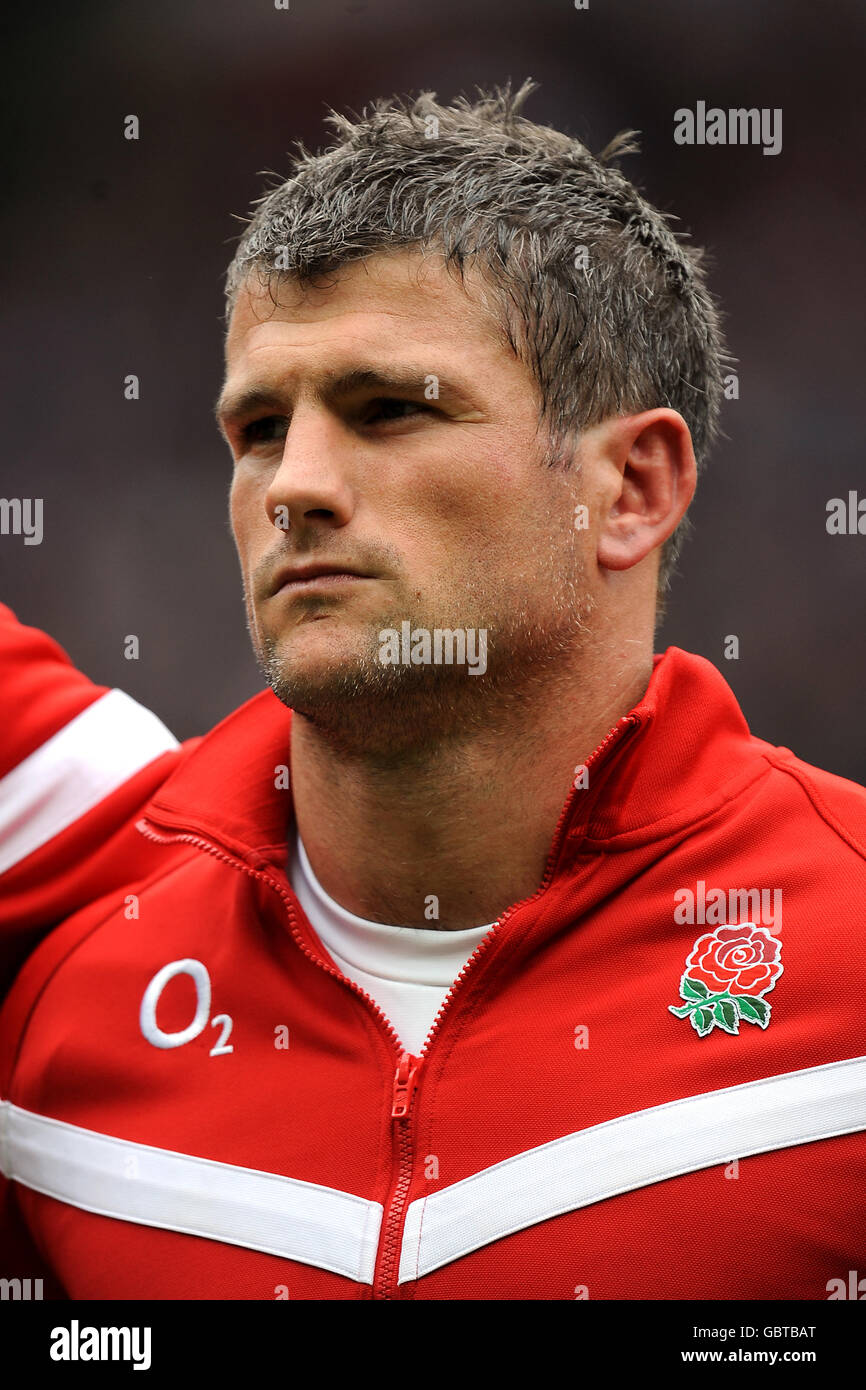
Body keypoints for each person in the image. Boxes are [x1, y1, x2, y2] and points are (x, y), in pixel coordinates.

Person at [1, 81, 864, 1302]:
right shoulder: (74, 941)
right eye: (257, 429)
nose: (294, 484)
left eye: (388, 410)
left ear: (630, 489)